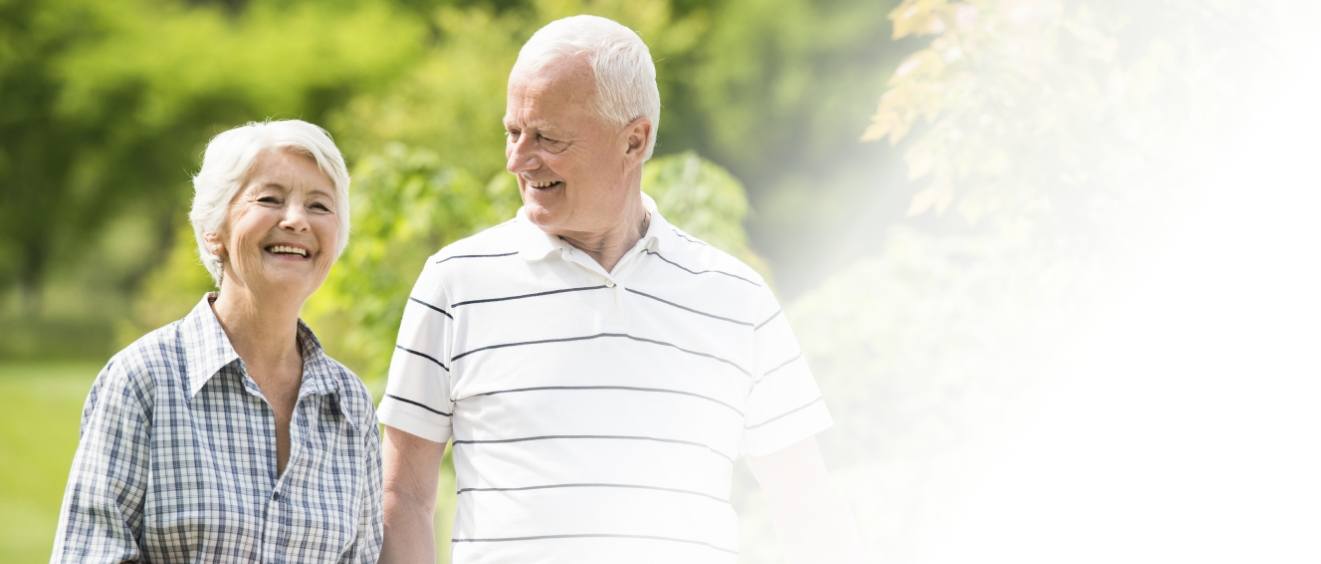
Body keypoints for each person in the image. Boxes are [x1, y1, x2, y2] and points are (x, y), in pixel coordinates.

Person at [378, 15, 861, 564]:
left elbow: (806, 506)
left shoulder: (738, 299)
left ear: (635, 140)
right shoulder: (454, 283)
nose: (517, 158)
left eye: (548, 138)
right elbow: (404, 496)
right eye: (513, 132)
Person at [51, 120, 383, 562]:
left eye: (320, 206)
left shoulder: (350, 405)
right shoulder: (144, 380)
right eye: (270, 199)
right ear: (214, 228)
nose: (297, 220)